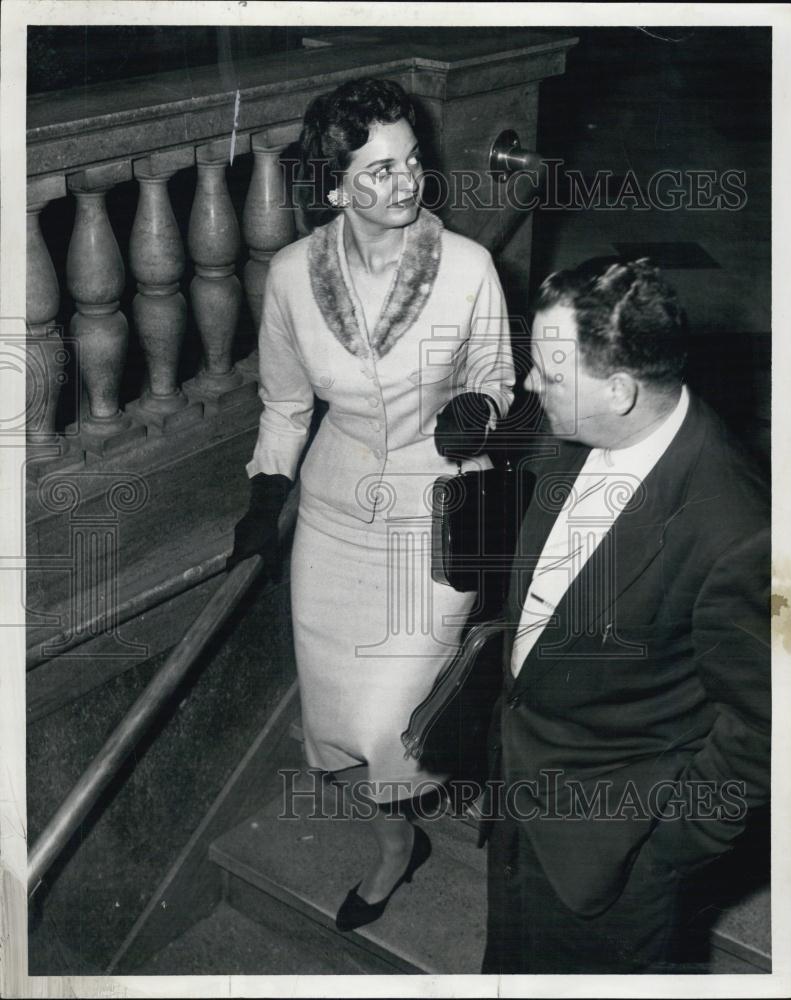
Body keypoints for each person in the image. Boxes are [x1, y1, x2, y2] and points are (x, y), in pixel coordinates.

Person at [228, 77, 514, 932]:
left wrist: (479, 414)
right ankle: (398, 846)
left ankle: (474, 777)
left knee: (393, 721)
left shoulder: (467, 269)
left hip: (434, 521)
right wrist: (265, 491)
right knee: (338, 729)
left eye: (413, 163)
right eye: (380, 171)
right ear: (333, 186)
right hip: (332, 519)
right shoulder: (287, 277)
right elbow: (284, 407)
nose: (407, 184)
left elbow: (499, 380)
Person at [481, 258, 770, 973]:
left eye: (548, 374)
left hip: (613, 852)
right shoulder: (573, 434)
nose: (528, 386)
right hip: (522, 783)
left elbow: (770, 729)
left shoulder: (742, 530)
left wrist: (662, 850)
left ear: (619, 390)